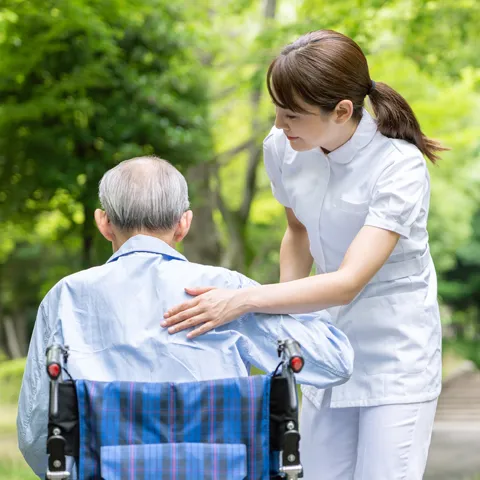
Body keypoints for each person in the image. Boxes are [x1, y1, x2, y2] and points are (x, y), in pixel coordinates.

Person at [161, 30, 444, 480]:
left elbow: (350, 280)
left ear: (342, 111)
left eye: (292, 114)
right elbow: (297, 231)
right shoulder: (284, 149)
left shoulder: (399, 167)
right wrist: (288, 324)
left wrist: (245, 300)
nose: (279, 124)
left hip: (395, 354)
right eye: (277, 109)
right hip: (325, 346)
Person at [17, 155, 354, 478]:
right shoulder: (227, 293)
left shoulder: (66, 297)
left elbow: (35, 434)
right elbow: (334, 361)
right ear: (184, 224)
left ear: (103, 223)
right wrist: (249, 300)